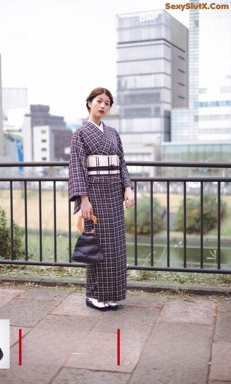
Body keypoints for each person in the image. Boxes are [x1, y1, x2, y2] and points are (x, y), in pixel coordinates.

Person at [69, 87, 135, 311]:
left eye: (107, 103)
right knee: (97, 245)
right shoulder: (80, 133)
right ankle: (94, 295)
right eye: (99, 101)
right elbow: (77, 168)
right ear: (89, 103)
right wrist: (83, 200)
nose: (103, 106)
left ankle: (112, 294)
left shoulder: (113, 133)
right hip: (94, 195)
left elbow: (122, 162)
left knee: (116, 246)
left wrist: (127, 187)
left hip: (114, 195)